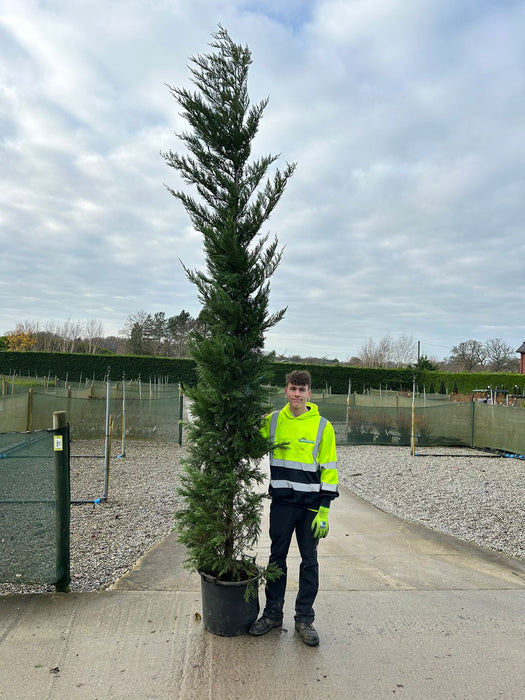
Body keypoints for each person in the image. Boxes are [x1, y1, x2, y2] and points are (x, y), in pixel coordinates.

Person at [249, 369, 338, 646]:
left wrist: (324, 510)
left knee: (309, 562)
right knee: (277, 558)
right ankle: (273, 613)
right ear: (285, 391)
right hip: (283, 504)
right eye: (292, 389)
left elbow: (329, 470)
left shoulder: (323, 426)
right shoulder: (274, 422)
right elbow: (250, 439)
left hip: (310, 508)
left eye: (302, 390)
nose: (296, 394)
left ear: (309, 394)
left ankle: (304, 619)